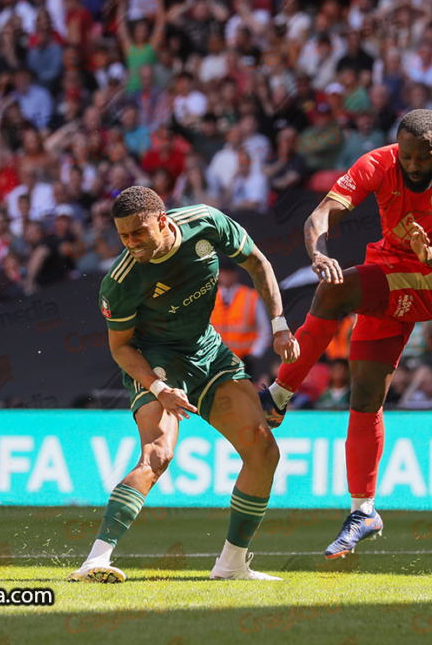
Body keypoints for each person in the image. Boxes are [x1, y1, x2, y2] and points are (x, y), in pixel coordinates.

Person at [260, 109, 432, 559]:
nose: (412, 166)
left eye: (422, 158)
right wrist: (318, 251)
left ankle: (278, 396)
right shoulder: (381, 162)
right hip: (388, 271)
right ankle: (364, 511)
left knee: (334, 293)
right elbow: (321, 214)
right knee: (365, 397)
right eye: (406, 156)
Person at [69, 186, 299, 583]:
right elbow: (121, 349)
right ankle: (95, 561)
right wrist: (159, 389)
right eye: (123, 236)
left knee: (264, 451)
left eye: (137, 233)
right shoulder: (120, 281)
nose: (130, 244)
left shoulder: (206, 222)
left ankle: (231, 565)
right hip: (154, 360)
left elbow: (257, 262)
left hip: (207, 350)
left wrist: (279, 325)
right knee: (157, 454)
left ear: (163, 220)